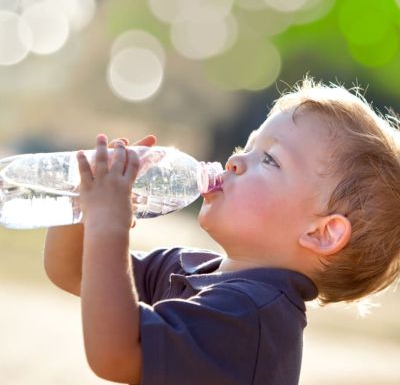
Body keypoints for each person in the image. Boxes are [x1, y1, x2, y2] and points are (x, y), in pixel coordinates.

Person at [43, 78, 400, 385]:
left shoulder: (252, 316)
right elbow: (72, 269)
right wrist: (82, 202)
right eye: (248, 146)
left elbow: (115, 353)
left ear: (322, 233)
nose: (234, 161)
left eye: (270, 159)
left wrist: (110, 222)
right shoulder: (191, 269)